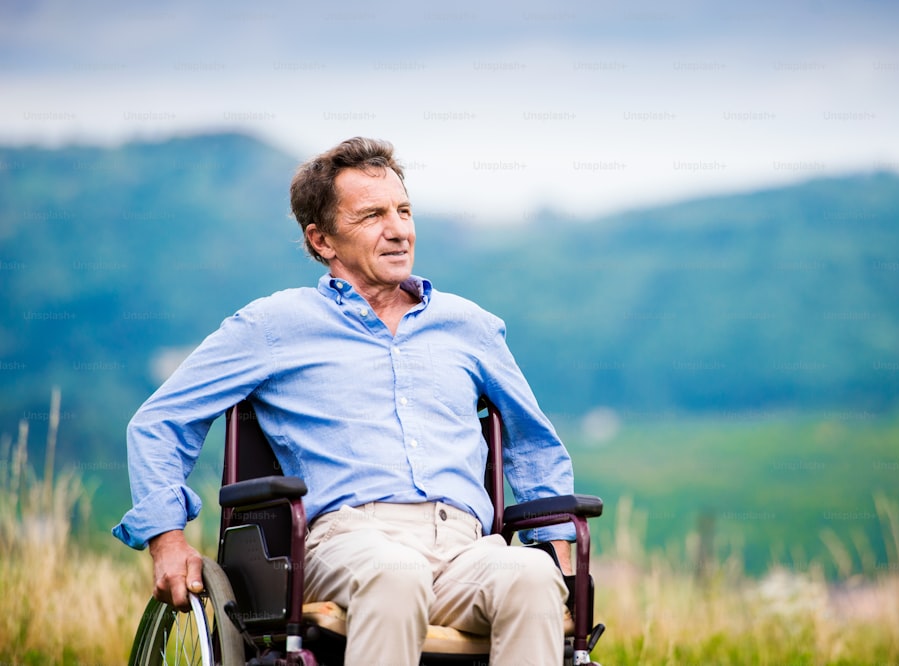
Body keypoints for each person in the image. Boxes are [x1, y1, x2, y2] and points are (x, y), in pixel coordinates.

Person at [114, 137, 577, 665]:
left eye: (403, 211)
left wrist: (555, 542)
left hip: (465, 544)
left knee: (532, 578)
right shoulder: (273, 325)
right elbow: (161, 420)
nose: (399, 229)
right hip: (348, 540)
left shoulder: (469, 326)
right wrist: (166, 540)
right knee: (395, 575)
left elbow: (532, 440)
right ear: (323, 240)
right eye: (372, 215)